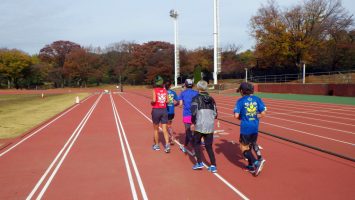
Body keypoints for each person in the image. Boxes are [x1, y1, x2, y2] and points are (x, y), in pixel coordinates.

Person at [233, 82, 266, 176]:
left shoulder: (240, 101)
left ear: (243, 91)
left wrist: (242, 117)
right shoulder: (257, 99)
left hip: (246, 127)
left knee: (243, 147)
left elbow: (236, 116)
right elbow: (263, 113)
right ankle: (251, 166)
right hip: (255, 126)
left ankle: (256, 162)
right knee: (250, 146)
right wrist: (256, 116)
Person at [191, 80, 218, 173]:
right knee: (209, 146)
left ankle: (199, 163)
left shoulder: (195, 98)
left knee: (196, 143)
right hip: (210, 125)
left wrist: (192, 122)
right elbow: (216, 114)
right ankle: (213, 165)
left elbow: (193, 113)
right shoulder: (212, 99)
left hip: (199, 124)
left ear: (198, 88)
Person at [151, 76, 171, 153]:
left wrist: (151, 102)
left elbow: (154, 100)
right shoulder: (165, 90)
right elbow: (168, 101)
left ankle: (156, 145)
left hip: (156, 110)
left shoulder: (154, 90)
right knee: (164, 129)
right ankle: (167, 145)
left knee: (156, 129)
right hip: (164, 110)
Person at [178, 79, 199, 153]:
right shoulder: (197, 93)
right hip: (196, 115)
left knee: (188, 132)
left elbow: (180, 105)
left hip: (187, 114)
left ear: (185, 85)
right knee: (193, 131)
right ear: (192, 85)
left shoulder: (182, 93)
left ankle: (194, 148)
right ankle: (185, 146)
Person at [165, 80, 180, 145]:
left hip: (164, 111)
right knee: (169, 125)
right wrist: (174, 105)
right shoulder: (173, 92)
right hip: (171, 111)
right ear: (170, 86)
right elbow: (178, 101)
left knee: (165, 126)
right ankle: (171, 138)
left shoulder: (163, 92)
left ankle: (169, 139)